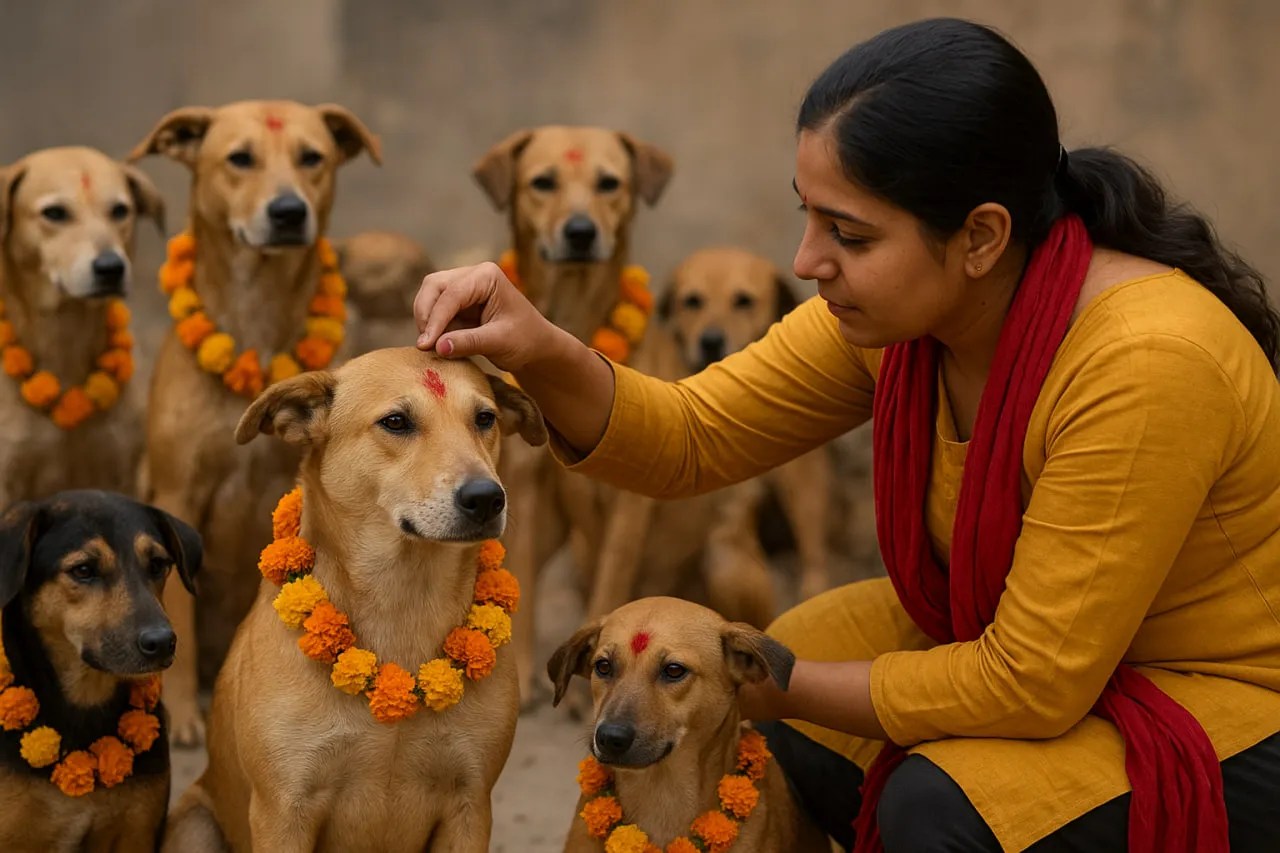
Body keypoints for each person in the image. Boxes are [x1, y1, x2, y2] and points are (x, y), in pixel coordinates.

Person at [413, 17, 1280, 853]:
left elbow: (1033, 680)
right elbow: (691, 435)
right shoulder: (898, 320)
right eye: (810, 215)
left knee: (928, 801)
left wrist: (750, 687)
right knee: (807, 653)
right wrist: (539, 345)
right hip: (1039, 659)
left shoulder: (1145, 358)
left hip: (1218, 701)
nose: (806, 260)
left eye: (849, 233)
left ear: (980, 236)